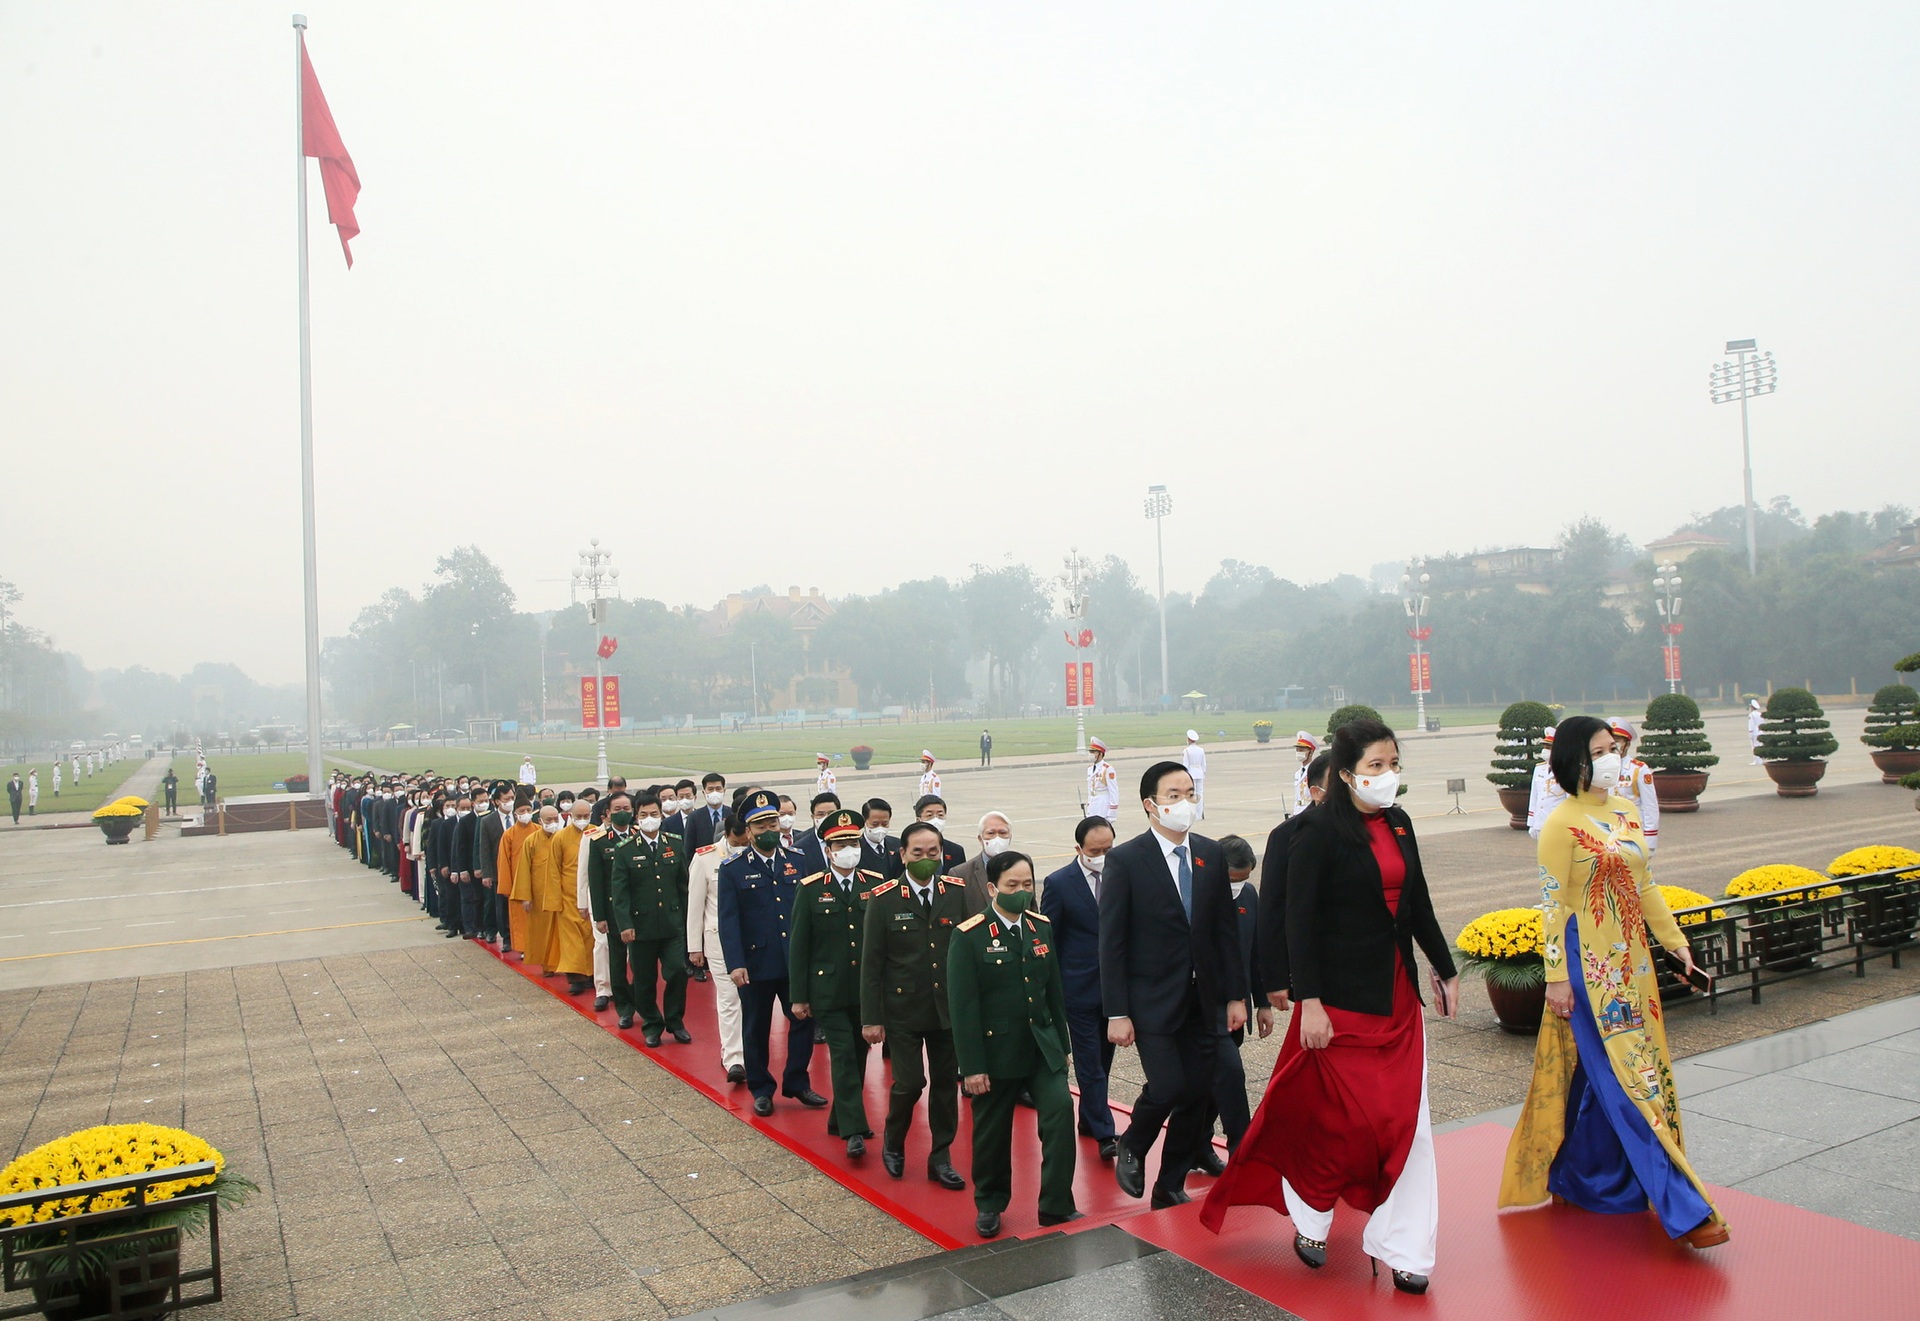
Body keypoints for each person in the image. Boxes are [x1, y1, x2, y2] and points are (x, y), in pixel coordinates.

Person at [1200, 717, 1458, 1297]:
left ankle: (1407, 1247)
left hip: (1396, 998)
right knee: (1333, 1119)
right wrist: (1306, 999)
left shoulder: (1400, 822)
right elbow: (1298, 923)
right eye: (1375, 767)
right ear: (1345, 773)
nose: (1387, 777)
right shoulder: (1313, 832)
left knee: (1406, 1124)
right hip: (1339, 1004)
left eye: (1394, 765)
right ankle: (1312, 1213)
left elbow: (1416, 904)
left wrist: (1442, 967)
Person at [1498, 715, 1729, 1249]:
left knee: (1609, 1076)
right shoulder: (1560, 824)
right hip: (1588, 968)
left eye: (1614, 749)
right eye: (1600, 751)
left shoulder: (1625, 812)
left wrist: (1675, 944)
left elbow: (1644, 885)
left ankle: (1584, 1178)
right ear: (1575, 760)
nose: (1612, 759)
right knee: (1629, 1080)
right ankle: (1684, 1208)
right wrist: (1557, 978)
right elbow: (1552, 906)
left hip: (1632, 964)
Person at [1101, 761, 1245, 1210]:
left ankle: (1170, 1181)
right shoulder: (1126, 859)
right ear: (1151, 805)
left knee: (1202, 1092)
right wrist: (1117, 1011)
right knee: (1168, 1087)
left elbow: (1224, 930)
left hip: (1204, 1001)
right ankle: (1133, 1143)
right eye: (1174, 795)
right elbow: (1112, 942)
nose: (1185, 803)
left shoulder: (1209, 853)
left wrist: (1237, 994)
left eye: (1190, 793)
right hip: (1151, 1001)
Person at [950, 849, 1080, 1237]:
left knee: (1059, 1117)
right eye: (1012, 885)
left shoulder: (1041, 927)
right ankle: (989, 1202)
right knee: (992, 1132)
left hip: (1042, 1046)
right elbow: (964, 1008)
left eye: (1028, 885)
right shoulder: (968, 935)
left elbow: (1054, 992)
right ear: (992, 888)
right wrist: (971, 1067)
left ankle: (1057, 1204)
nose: (1022, 892)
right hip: (995, 1051)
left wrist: (1064, 1045)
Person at [861, 821, 968, 1191]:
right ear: (902, 854)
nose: (926, 859)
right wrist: (871, 1018)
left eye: (933, 852)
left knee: (943, 1086)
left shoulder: (957, 892)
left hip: (946, 1010)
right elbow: (872, 962)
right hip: (903, 1010)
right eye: (918, 852)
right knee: (909, 1083)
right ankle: (894, 1140)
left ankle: (941, 1157)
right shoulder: (884, 897)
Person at [718, 789, 825, 1116]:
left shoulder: (798, 860)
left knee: (803, 1022)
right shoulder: (733, 869)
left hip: (794, 961)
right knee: (756, 1027)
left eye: (773, 823)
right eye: (760, 826)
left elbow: (810, 914)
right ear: (748, 831)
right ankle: (761, 1088)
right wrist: (735, 964)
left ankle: (797, 1081)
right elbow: (728, 920)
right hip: (756, 962)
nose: (769, 831)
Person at [789, 808, 881, 1158]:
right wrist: (798, 996)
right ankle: (854, 1130)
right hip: (827, 990)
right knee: (843, 1054)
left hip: (863, 990)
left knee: (858, 1056)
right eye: (840, 844)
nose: (849, 850)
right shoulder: (811, 890)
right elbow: (799, 947)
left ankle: (838, 1118)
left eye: (853, 843)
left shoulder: (874, 885)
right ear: (828, 850)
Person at [1041, 816, 1119, 1161]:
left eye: (1108, 849)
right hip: (1077, 987)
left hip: (1115, 989)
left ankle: (1089, 1118)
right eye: (1095, 851)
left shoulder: (1122, 875)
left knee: (1104, 1057)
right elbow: (1050, 939)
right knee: (1089, 1062)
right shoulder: (1059, 883)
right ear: (1079, 850)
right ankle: (1105, 1132)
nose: (1102, 855)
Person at [1198, 835, 1271, 1168]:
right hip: (1205, 1007)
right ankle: (1243, 1151)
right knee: (1230, 1073)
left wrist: (1263, 1002)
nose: (1238, 888)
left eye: (1244, 880)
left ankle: (1197, 1144)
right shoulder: (1195, 897)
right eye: (1232, 881)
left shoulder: (1249, 896)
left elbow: (1255, 954)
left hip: (1237, 1008)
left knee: (1212, 1082)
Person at [608, 792, 692, 1045]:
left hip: (671, 924)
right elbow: (619, 892)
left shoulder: (674, 843)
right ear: (636, 817)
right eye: (644, 815)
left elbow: (683, 886)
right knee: (644, 980)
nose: (650, 819)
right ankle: (652, 1024)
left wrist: (687, 922)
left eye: (654, 814)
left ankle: (675, 1021)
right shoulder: (625, 850)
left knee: (677, 972)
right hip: (640, 927)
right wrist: (625, 925)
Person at [1257, 753, 1331, 1008]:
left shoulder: (1375, 829)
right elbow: (1272, 909)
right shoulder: (1287, 835)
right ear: (1317, 791)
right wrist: (1276, 977)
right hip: (1314, 964)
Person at [687, 809, 750, 1083]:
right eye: (738, 840)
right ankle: (734, 1058)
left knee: (753, 999)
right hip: (718, 939)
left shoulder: (757, 853)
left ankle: (752, 1052)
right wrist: (694, 946)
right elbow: (695, 906)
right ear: (727, 834)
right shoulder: (705, 858)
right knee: (728, 998)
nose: (743, 844)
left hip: (753, 939)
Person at [496, 794, 542, 955]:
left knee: (537, 918)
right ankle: (523, 948)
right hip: (517, 882)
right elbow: (503, 862)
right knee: (520, 919)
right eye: (522, 810)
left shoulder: (539, 830)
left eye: (529, 810)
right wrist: (508, 887)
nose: (526, 813)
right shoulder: (509, 834)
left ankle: (538, 946)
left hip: (537, 881)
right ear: (515, 814)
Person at [945, 811, 1013, 917]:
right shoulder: (961, 873)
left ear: (1010, 837)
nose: (997, 838)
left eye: (1003, 833)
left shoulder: (1023, 864)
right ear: (980, 839)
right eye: (991, 833)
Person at [1609, 718, 1660, 853]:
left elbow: (1650, 807)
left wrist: (1650, 842)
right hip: (1608, 832)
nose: (1613, 744)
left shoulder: (1638, 769)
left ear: (1627, 744)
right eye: (1610, 739)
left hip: (1632, 832)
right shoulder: (1598, 767)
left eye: (1617, 740)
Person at [1527, 726, 1564, 837]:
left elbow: (1569, 799)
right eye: (1545, 747)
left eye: (1549, 747)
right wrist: (1531, 823)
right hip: (1540, 822)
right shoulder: (1539, 769)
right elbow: (1534, 797)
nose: (1545, 750)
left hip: (1557, 824)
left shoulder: (1565, 770)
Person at [913, 796, 967, 872]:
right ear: (919, 820)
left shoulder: (956, 851)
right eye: (929, 815)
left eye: (940, 815)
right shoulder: (909, 850)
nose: (936, 819)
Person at [685, 772, 729, 849]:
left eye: (718, 789)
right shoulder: (694, 817)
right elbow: (689, 847)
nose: (715, 792)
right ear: (704, 792)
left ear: (724, 791)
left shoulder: (732, 813)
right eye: (710, 789)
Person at [1086, 737, 1120, 822]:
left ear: (1100, 754)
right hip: (1093, 803)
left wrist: (1112, 812)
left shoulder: (1107, 769)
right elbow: (1090, 789)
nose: (1090, 754)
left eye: (1093, 752)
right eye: (1090, 751)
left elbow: (1113, 791)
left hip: (1103, 804)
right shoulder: (1090, 768)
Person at [1288, 732, 1320, 817]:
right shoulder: (1297, 773)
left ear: (1311, 752)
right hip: (1297, 812)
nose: (1298, 752)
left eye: (1301, 750)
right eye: (1297, 750)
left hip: (1309, 813)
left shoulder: (1315, 771)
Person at [1183, 730, 1208, 819]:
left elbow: (1185, 764)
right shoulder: (1201, 750)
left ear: (1189, 739)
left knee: (1192, 794)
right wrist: (1203, 772)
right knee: (1200, 794)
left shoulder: (1187, 751)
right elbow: (1203, 764)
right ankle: (1199, 814)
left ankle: (1193, 814)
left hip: (1191, 773)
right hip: (1199, 773)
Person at [1747, 696, 1764, 764]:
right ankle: (1760, 760)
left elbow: (1751, 725)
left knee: (1755, 747)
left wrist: (1750, 733)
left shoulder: (1751, 715)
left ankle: (1757, 760)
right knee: (1760, 746)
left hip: (1754, 732)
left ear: (1752, 707)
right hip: (1760, 731)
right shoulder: (1760, 714)